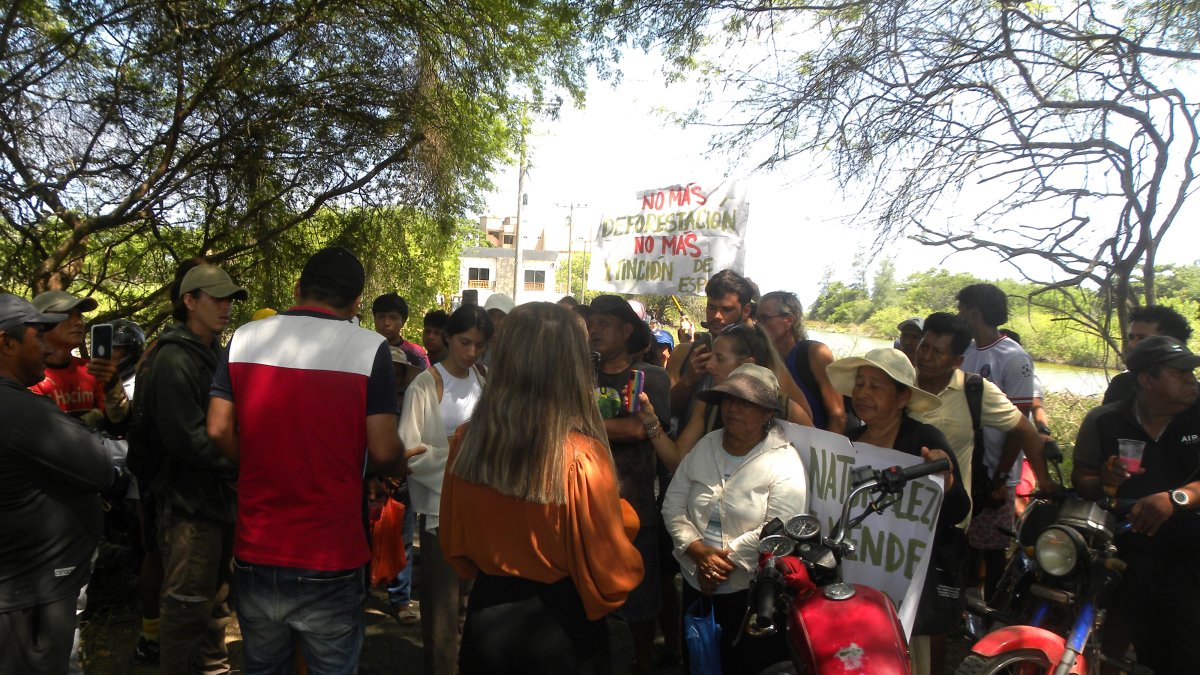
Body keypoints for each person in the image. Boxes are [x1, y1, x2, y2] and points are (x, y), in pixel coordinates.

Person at [206, 247, 408, 673]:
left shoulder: (244, 339)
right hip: (331, 551)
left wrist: (255, 461)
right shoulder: (370, 348)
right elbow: (383, 449)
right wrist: (403, 462)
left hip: (258, 545)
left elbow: (218, 428)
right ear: (356, 303)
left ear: (298, 289)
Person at [440, 302, 644, 674]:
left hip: (488, 620)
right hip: (561, 626)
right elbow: (612, 572)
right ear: (572, 365)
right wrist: (625, 518)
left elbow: (455, 543)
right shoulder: (582, 456)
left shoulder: (466, 442)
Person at [127, 263, 246, 673]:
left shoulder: (212, 353)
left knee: (217, 600)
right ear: (189, 301)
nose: (226, 307)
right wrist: (244, 463)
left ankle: (214, 668)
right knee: (186, 603)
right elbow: (188, 438)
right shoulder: (174, 358)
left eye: (229, 299)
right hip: (188, 503)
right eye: (217, 298)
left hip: (216, 498)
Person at [826, 348, 967, 675]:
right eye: (860, 384)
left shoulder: (923, 440)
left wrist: (945, 483)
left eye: (876, 387)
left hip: (908, 579)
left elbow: (959, 510)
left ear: (902, 398)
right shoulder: (850, 440)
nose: (863, 393)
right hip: (857, 574)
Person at [662, 364, 807, 675]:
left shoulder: (783, 460)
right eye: (728, 400)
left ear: (768, 413)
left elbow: (779, 528)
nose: (732, 408)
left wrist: (718, 563)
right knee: (699, 659)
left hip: (749, 590)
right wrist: (697, 550)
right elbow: (673, 503)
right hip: (696, 577)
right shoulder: (706, 445)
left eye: (745, 403)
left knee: (743, 664)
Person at [1071, 336, 1200, 674]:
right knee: (1144, 648)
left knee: (1188, 652)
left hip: (1191, 557)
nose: (1192, 380)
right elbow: (1082, 479)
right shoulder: (1104, 421)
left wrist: (1176, 499)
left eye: (1192, 372)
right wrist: (1104, 478)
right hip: (1129, 554)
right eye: (1180, 373)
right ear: (1146, 380)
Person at [0, 294, 113, 675]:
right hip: (26, 597)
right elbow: (99, 468)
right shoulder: (21, 408)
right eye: (39, 336)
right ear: (7, 343)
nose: (46, 348)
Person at [401, 303, 493, 674]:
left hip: (480, 506)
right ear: (448, 338)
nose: (471, 352)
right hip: (441, 508)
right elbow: (409, 451)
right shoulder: (426, 384)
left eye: (479, 345)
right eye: (465, 342)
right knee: (442, 606)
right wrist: (462, 453)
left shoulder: (482, 378)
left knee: (471, 603)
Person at [584, 294, 671, 675]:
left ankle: (645, 660)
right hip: (585, 500)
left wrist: (580, 424)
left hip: (635, 501)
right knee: (587, 589)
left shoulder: (651, 377)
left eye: (604, 323)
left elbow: (639, 429)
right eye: (591, 323)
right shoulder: (581, 373)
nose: (594, 330)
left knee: (641, 591)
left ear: (626, 329)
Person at [956, 283, 1044, 599]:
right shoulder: (965, 353)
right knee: (964, 544)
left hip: (996, 472)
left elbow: (1020, 426)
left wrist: (1001, 476)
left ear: (974, 312)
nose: (959, 316)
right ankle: (964, 604)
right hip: (965, 467)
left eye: (961, 309)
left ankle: (993, 607)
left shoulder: (1013, 357)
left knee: (992, 548)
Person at [675, 322, 813, 454]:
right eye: (728, 403)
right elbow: (678, 459)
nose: (709, 365)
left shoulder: (787, 409)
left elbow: (817, 456)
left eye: (720, 359)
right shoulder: (708, 404)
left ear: (747, 364)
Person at [30, 290, 124, 426]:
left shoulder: (90, 370)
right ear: (41, 323)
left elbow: (118, 424)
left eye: (79, 316)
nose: (79, 322)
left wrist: (113, 384)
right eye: (67, 315)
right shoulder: (26, 375)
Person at [758, 290, 846, 432]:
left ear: (788, 320)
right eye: (757, 319)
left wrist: (823, 445)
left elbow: (838, 416)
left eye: (765, 319)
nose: (758, 325)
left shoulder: (816, 353)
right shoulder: (764, 359)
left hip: (814, 441)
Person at [1103, 305, 1193, 405]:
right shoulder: (1122, 384)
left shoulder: (1192, 390)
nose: (1131, 344)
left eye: (1142, 338)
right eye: (1131, 337)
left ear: (1171, 341)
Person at [372, 292, 431, 378]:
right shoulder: (365, 349)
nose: (386, 323)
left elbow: (427, 383)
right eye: (381, 316)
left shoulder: (416, 354)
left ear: (403, 322)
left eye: (393, 317)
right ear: (374, 318)